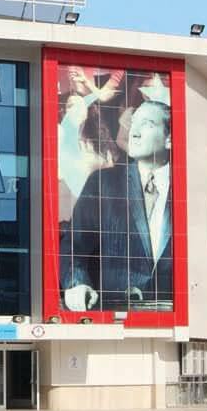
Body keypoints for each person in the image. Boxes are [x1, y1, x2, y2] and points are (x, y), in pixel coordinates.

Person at [61, 71, 173, 311]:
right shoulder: (103, 183)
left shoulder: (187, 189)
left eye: (148, 124)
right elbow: (74, 247)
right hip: (114, 313)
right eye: (134, 123)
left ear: (169, 139)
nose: (134, 132)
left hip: (177, 313)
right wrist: (77, 284)